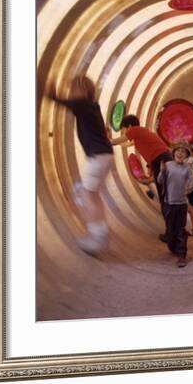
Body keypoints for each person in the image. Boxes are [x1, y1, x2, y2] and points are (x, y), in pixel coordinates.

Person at [48, 75, 113, 255]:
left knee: (86, 194)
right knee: (93, 194)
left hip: (99, 156)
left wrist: (51, 96)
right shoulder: (92, 107)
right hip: (105, 156)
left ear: (83, 91)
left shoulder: (83, 104)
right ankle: (101, 232)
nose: (71, 93)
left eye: (73, 89)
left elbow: (70, 104)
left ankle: (97, 237)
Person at [110, 115, 172, 240]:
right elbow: (125, 145)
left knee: (165, 198)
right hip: (164, 159)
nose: (123, 133)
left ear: (129, 126)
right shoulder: (142, 134)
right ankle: (177, 229)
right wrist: (149, 179)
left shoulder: (135, 130)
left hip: (161, 160)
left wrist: (102, 139)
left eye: (123, 129)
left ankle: (171, 234)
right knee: (169, 196)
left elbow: (118, 141)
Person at [157, 142, 193, 267]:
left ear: (186, 155)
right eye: (178, 151)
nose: (180, 153)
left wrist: (188, 188)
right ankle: (173, 247)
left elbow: (191, 183)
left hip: (181, 203)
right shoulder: (167, 166)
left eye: (183, 152)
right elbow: (160, 181)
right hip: (169, 203)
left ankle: (182, 255)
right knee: (170, 230)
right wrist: (162, 171)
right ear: (173, 153)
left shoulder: (187, 169)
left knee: (181, 230)